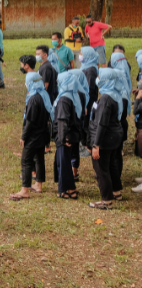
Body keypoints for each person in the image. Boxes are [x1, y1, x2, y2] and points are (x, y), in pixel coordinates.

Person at [10, 71, 54, 201]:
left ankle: (24, 190)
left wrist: (23, 137)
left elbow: (29, 121)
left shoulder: (33, 99)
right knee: (39, 158)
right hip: (42, 134)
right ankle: (38, 184)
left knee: (26, 160)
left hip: (33, 135)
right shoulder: (43, 95)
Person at [87, 68, 124, 209]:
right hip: (115, 136)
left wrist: (96, 145)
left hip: (105, 138)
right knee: (112, 165)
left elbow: (102, 123)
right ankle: (116, 192)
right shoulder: (115, 94)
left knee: (101, 168)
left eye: (100, 77)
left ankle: (106, 201)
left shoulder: (106, 99)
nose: (98, 79)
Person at [52, 72, 81, 199]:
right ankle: (68, 188)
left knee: (63, 163)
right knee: (63, 161)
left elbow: (62, 120)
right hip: (72, 134)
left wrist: (62, 139)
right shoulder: (73, 95)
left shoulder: (63, 99)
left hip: (66, 135)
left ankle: (69, 190)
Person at [110, 49, 132, 194]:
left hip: (116, 126)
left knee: (116, 154)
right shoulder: (124, 81)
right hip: (120, 125)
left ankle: (115, 179)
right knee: (117, 153)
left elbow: (120, 113)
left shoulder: (120, 89)